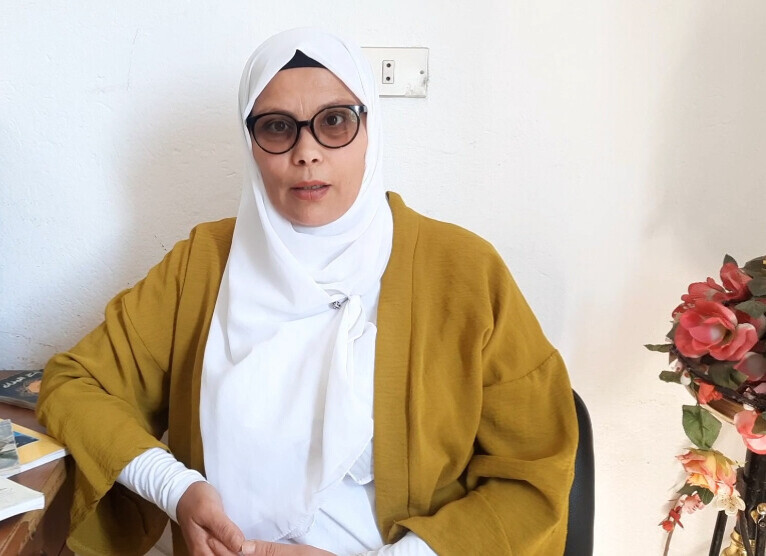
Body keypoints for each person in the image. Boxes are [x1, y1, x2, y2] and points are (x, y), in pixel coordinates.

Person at [37, 27, 577, 556]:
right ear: (250, 143)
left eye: (334, 121)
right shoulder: (204, 265)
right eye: (277, 128)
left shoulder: (466, 273)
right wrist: (175, 488)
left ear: (370, 128)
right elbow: (74, 383)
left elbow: (532, 473)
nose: (307, 153)